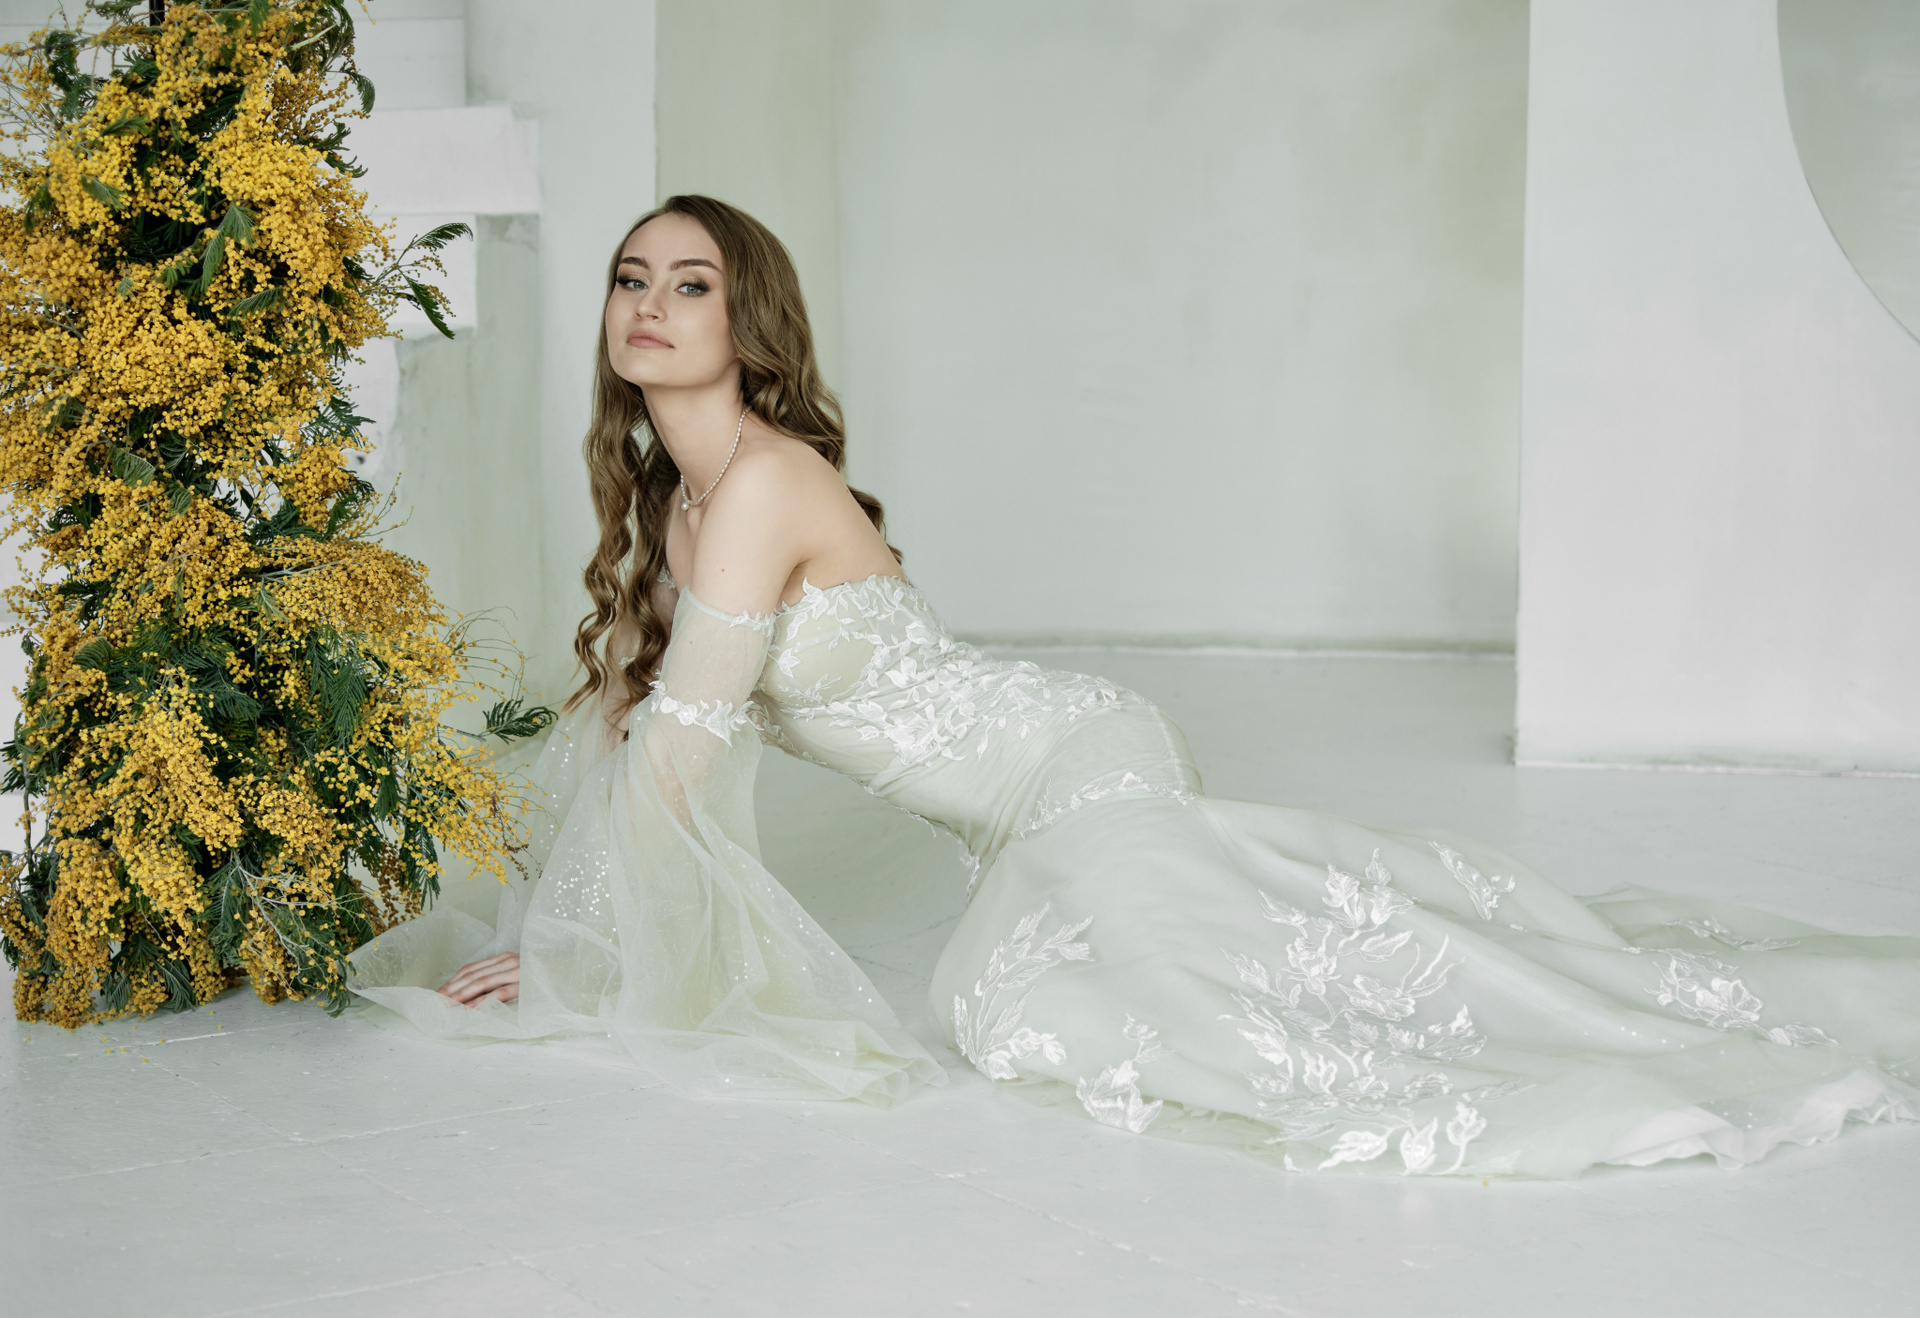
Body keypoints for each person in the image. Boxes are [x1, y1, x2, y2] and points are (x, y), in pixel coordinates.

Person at [347, 196, 1918, 1177]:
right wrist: (547, 921)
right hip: (1018, 814)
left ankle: (1634, 1060)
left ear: (747, 324)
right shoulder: (681, 505)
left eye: (690, 282)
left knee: (1044, 1003)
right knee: (1082, 987)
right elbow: (631, 734)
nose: (648, 302)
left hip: (1080, 763)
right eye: (630, 276)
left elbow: (681, 765)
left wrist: (570, 956)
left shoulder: (762, 483)